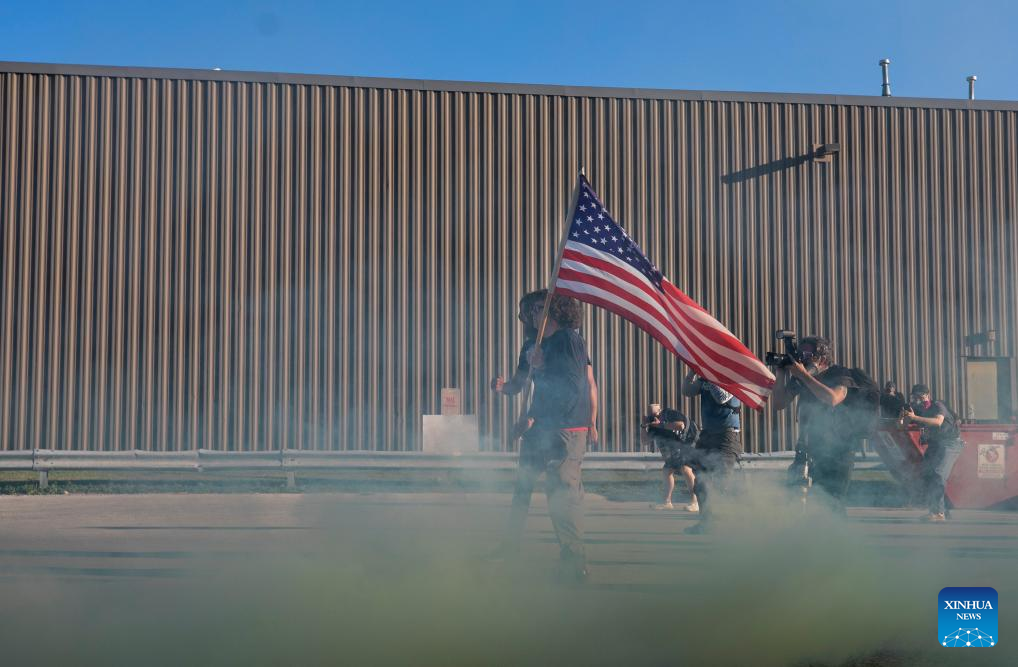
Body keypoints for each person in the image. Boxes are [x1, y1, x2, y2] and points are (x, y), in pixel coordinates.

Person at [491, 293, 593, 582]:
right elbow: (519, 383)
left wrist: (544, 369)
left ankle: (575, 562)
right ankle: (509, 547)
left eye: (537, 309)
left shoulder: (569, 340)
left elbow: (573, 386)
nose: (531, 315)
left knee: (562, 493)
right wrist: (504, 387)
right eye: (529, 311)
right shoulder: (531, 344)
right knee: (522, 487)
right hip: (540, 425)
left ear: (554, 310)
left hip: (566, 427)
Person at [772, 336, 866, 515]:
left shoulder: (839, 373)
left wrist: (803, 375)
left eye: (807, 354)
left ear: (822, 358)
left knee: (833, 502)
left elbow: (832, 398)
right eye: (800, 354)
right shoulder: (803, 375)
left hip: (840, 449)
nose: (803, 358)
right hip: (813, 447)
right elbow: (779, 403)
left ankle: (839, 539)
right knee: (817, 502)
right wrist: (781, 374)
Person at [680, 371, 742, 533]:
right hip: (708, 434)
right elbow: (687, 391)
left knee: (722, 482)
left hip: (726, 435)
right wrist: (691, 373)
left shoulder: (732, 378)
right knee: (700, 482)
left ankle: (734, 523)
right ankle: (706, 523)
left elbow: (721, 397)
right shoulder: (705, 378)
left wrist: (708, 376)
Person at [903, 383, 964, 522]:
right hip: (936, 443)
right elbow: (902, 424)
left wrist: (914, 418)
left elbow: (938, 422)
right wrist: (903, 417)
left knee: (938, 473)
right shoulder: (918, 409)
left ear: (926, 395)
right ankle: (941, 510)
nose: (917, 399)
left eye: (919, 396)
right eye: (915, 396)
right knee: (928, 473)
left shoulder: (937, 406)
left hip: (950, 443)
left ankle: (938, 513)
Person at [642, 404, 698, 512]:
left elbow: (681, 425)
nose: (655, 418)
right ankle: (667, 502)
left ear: (660, 410)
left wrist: (660, 425)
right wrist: (644, 426)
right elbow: (645, 441)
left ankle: (695, 502)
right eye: (651, 415)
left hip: (688, 443)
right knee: (667, 471)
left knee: (686, 469)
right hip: (674, 451)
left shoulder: (669, 413)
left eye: (656, 414)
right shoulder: (653, 424)